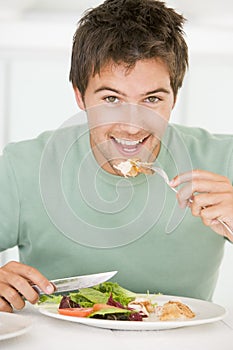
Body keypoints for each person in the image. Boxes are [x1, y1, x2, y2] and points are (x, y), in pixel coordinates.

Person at [0, 0, 232, 313]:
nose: (132, 125)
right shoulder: (21, 167)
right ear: (80, 96)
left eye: (151, 99)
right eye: (111, 98)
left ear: (174, 98)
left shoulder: (224, 159)